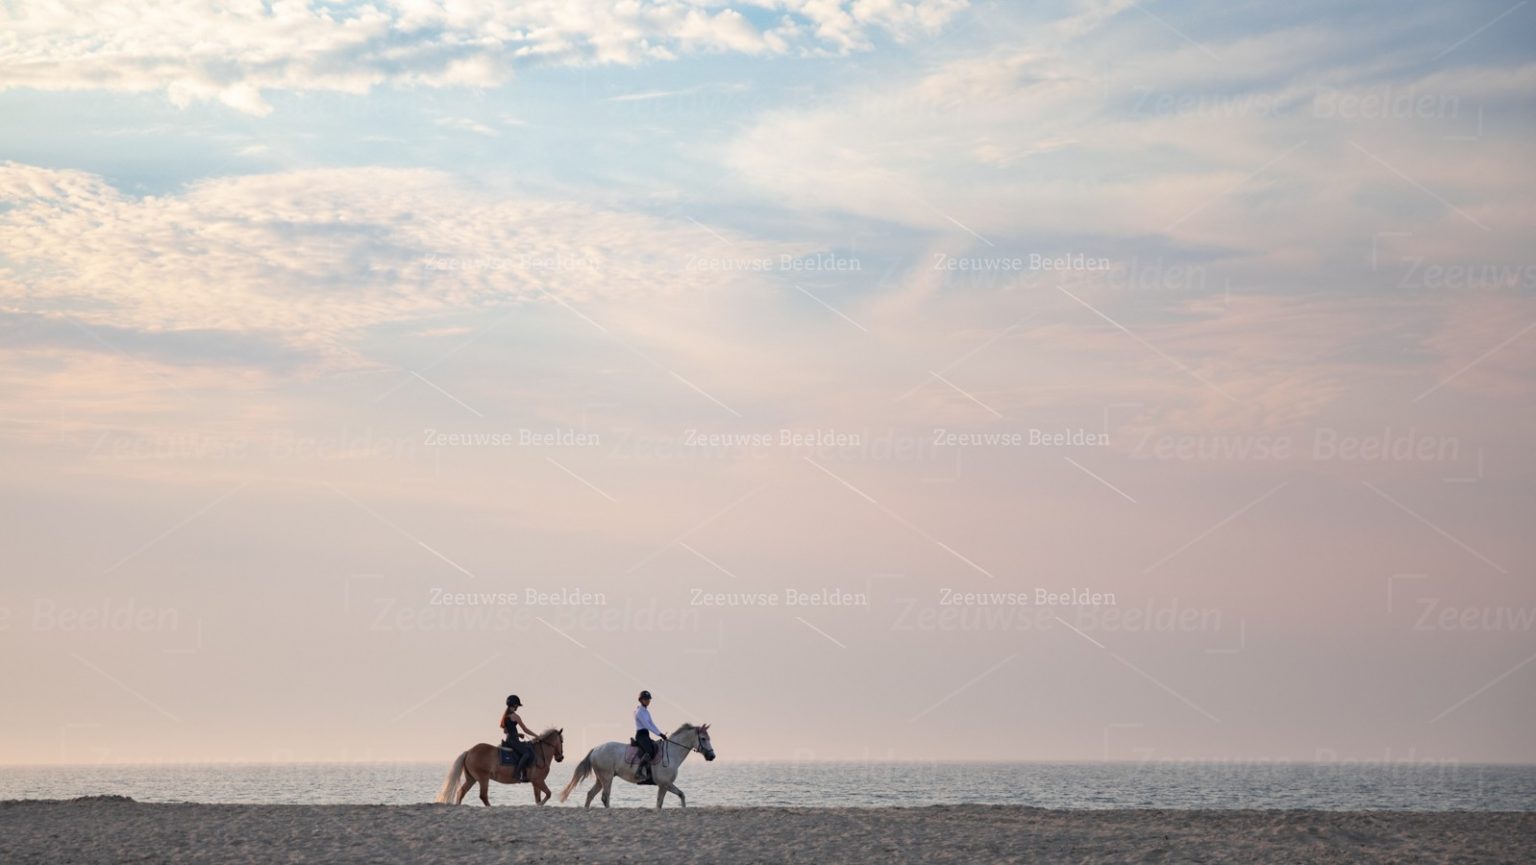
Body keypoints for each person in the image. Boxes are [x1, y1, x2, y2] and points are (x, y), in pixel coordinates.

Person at [498, 695, 536, 781]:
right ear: (514, 705)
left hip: (509, 740)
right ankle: (517, 774)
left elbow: (505, 732)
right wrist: (537, 736)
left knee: (525, 749)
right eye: (517, 705)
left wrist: (518, 734)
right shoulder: (515, 716)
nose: (517, 707)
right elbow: (525, 729)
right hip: (513, 741)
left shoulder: (505, 716)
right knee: (526, 753)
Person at [632, 689, 666, 784]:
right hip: (641, 735)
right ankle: (639, 772)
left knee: (656, 749)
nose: (648, 701)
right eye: (646, 699)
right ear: (641, 700)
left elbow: (652, 724)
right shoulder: (638, 712)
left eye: (649, 699)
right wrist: (659, 734)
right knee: (650, 751)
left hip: (646, 735)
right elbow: (647, 725)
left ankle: (650, 775)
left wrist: (661, 733)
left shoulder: (646, 712)